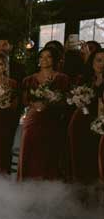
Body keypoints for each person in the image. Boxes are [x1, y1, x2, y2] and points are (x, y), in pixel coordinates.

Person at [18, 47, 70, 181]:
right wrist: (34, 104)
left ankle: (50, 189)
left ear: (54, 59)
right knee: (31, 152)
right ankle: (27, 186)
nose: (44, 59)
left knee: (50, 154)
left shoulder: (63, 79)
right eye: (41, 56)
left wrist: (52, 102)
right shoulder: (29, 80)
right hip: (32, 121)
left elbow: (67, 101)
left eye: (48, 56)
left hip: (53, 121)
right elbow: (24, 101)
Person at [66, 50, 103, 184]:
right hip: (81, 121)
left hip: (100, 123)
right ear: (92, 62)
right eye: (98, 60)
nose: (102, 64)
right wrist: (79, 100)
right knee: (80, 156)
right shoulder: (84, 79)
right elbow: (70, 99)